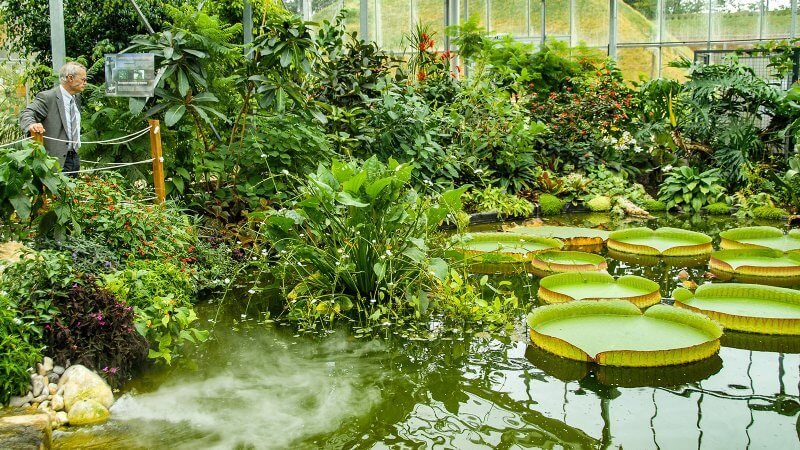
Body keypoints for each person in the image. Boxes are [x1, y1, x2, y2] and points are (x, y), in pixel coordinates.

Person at [19, 61, 87, 175]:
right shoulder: (48, 97)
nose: (86, 83)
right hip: (55, 160)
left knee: (72, 192)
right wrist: (32, 125)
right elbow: (27, 113)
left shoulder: (76, 98)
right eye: (83, 79)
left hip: (74, 157)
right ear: (70, 78)